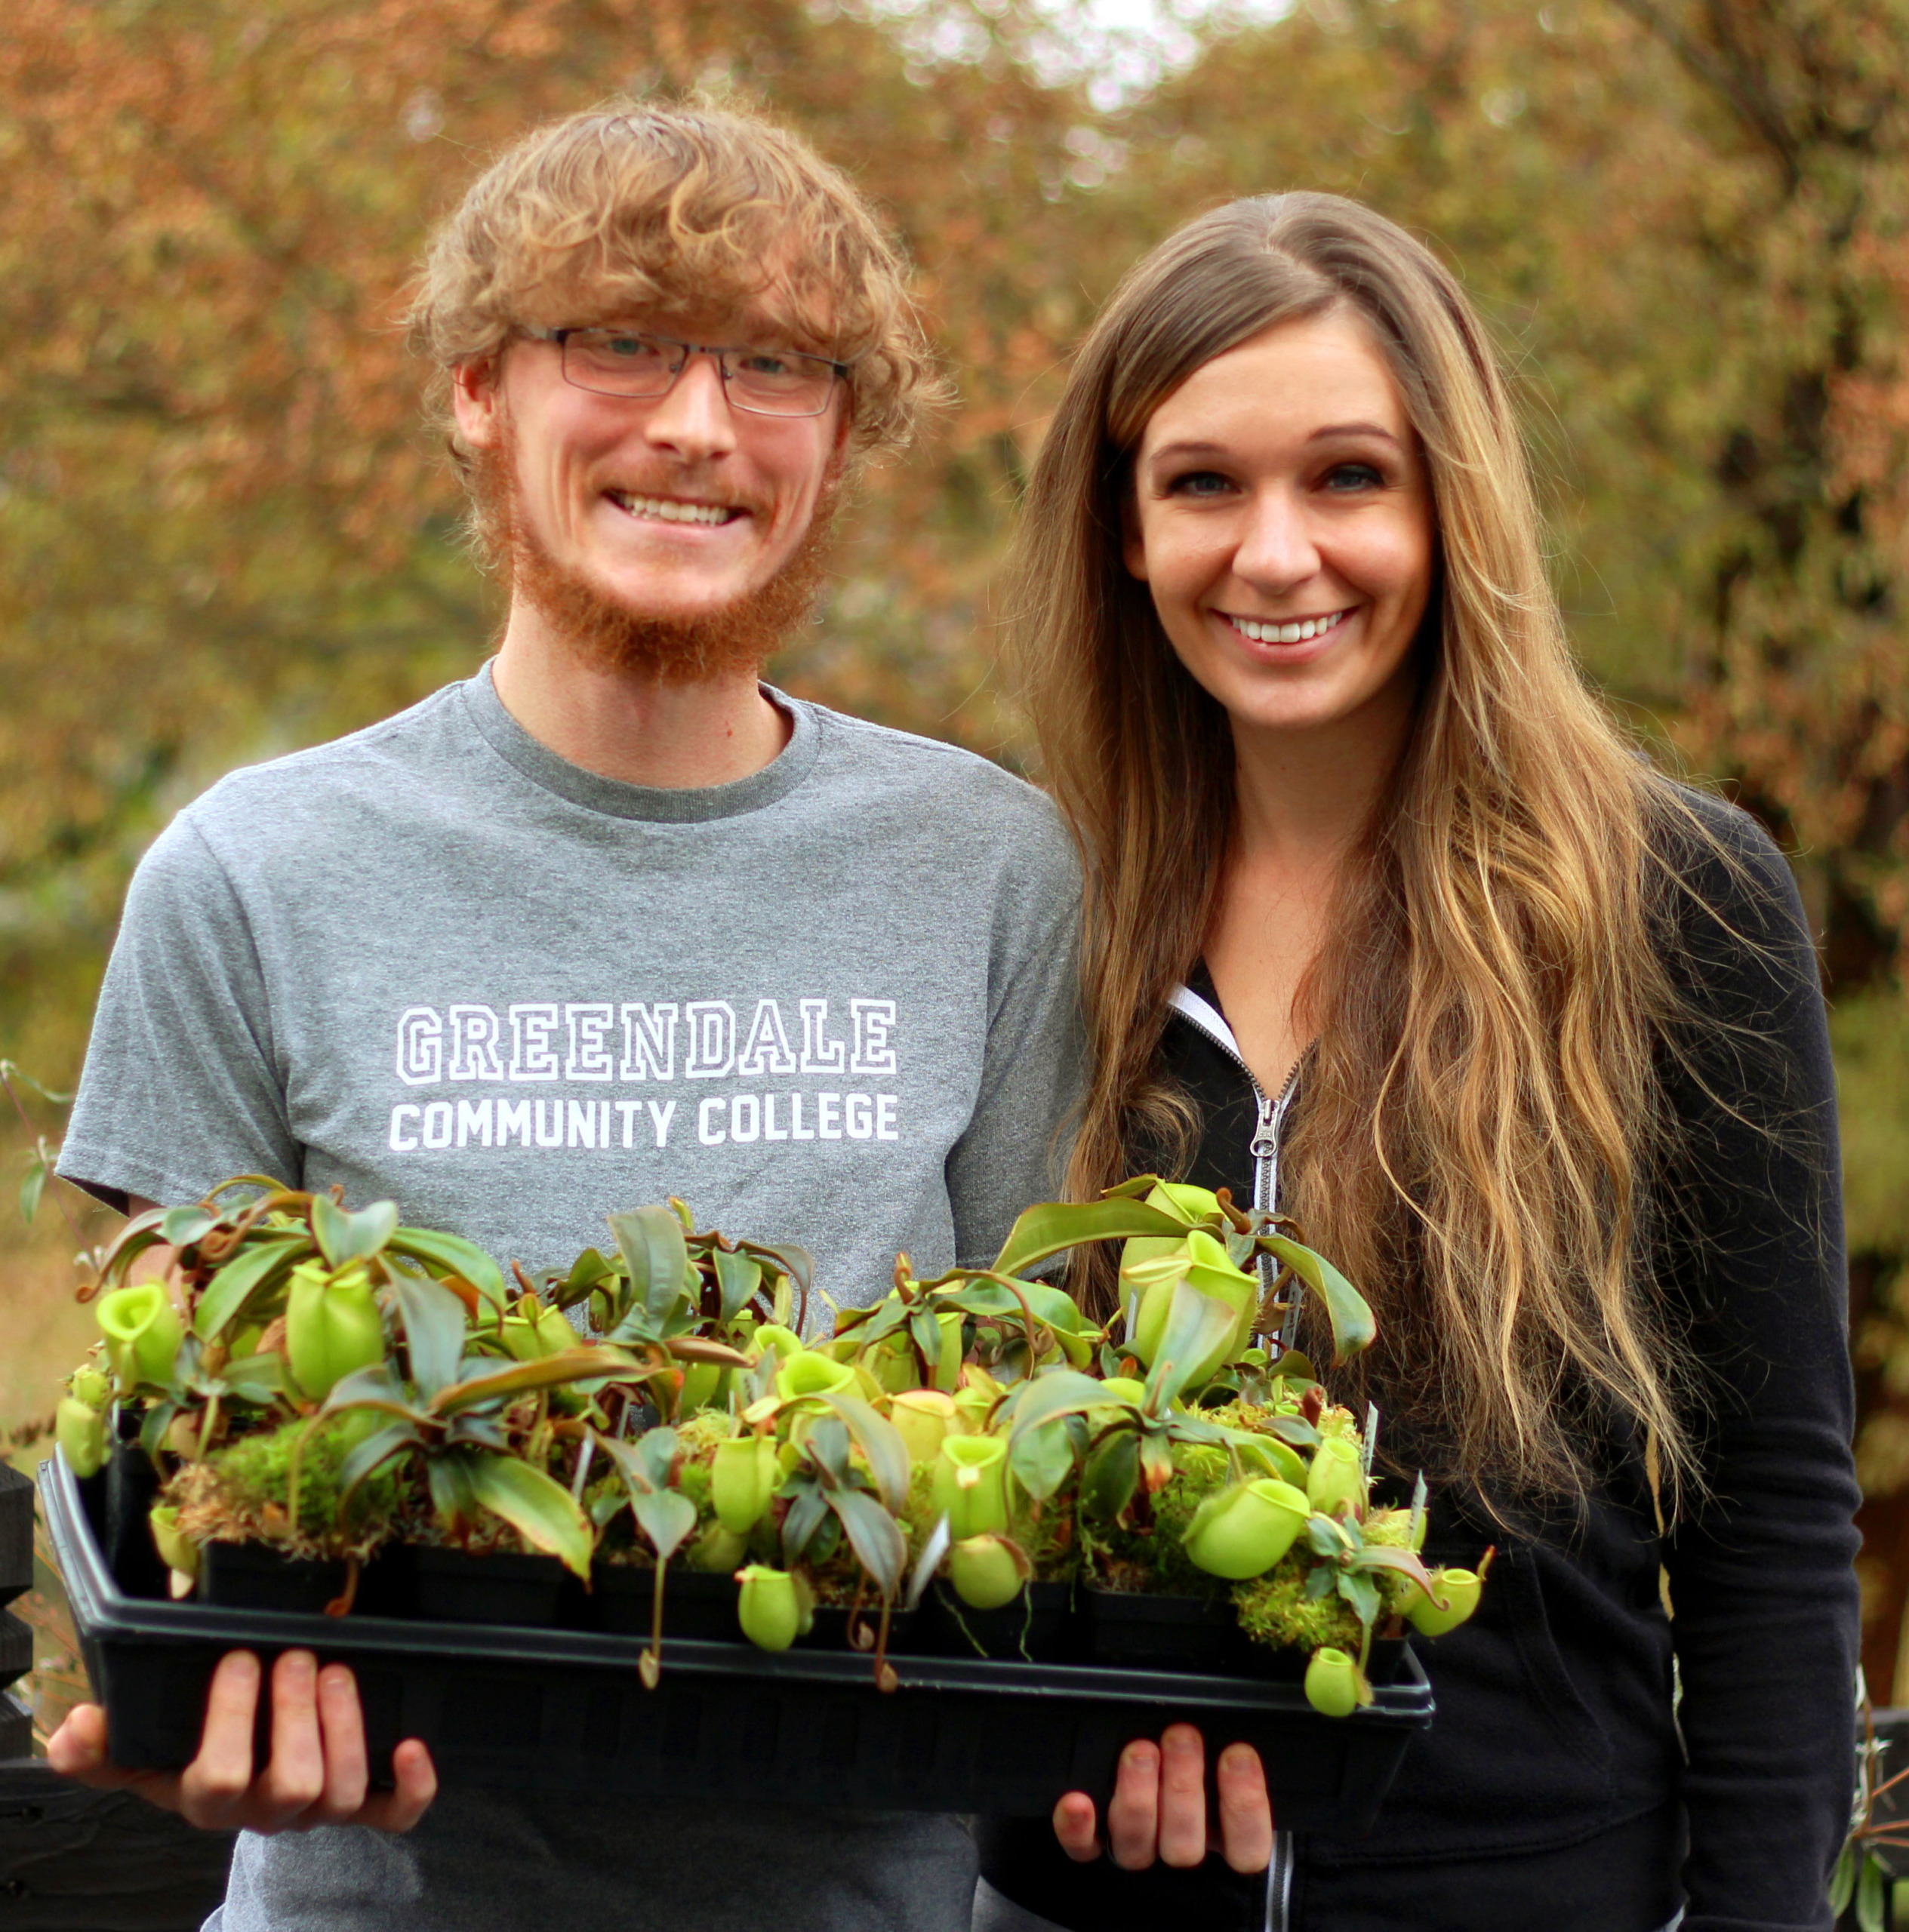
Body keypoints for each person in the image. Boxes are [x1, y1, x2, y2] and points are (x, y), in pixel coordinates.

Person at [46, 100, 1080, 1932]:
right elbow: (164, 1477)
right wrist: (171, 1710)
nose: (697, 420)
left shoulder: (990, 871)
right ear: (474, 388)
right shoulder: (257, 871)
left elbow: (1054, 1453)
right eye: (618, 340)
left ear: (840, 436)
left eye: (775, 363)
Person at [973, 193, 1860, 1932]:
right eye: (1203, 483)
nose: (1276, 552)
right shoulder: (1037, 911)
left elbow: (1767, 1510)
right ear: (1123, 532)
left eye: (1348, 478)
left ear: (1451, 504)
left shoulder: (1666, 900)